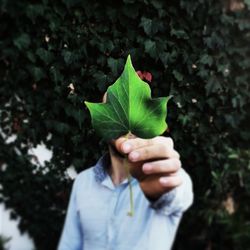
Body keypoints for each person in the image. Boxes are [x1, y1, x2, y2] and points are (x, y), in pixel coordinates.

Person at [58, 134, 193, 250]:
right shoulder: (83, 181)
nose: (126, 113)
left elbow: (177, 193)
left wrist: (162, 188)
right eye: (116, 103)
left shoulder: (170, 175)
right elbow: (69, 246)